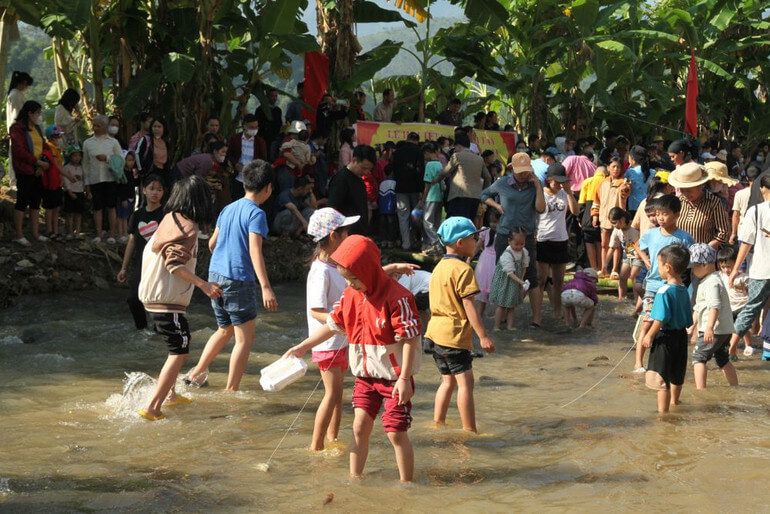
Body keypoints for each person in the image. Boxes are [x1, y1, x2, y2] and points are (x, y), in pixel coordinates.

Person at [284, 235, 421, 482]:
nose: (350, 284)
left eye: (354, 278)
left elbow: (410, 339)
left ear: (369, 270)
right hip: (365, 378)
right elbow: (332, 325)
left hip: (394, 379)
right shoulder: (350, 297)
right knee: (358, 428)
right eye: (346, 278)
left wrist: (404, 377)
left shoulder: (398, 298)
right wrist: (302, 346)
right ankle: (354, 479)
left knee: (395, 434)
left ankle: (407, 485)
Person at [184, 160, 278, 391]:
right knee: (244, 340)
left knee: (224, 329)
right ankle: (231, 390)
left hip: (216, 275)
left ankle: (195, 374)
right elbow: (255, 251)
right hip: (238, 278)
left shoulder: (228, 208)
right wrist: (266, 287)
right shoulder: (256, 214)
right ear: (268, 187)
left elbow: (213, 244)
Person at [137, 176, 223, 421]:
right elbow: (174, 264)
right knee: (179, 352)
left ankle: (171, 395)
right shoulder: (187, 228)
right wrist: (204, 285)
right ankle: (153, 407)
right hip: (167, 299)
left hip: (155, 295)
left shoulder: (170, 218)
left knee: (179, 344)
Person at [425, 217, 495, 433]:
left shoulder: (439, 267)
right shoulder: (463, 270)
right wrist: (483, 336)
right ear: (461, 242)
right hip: (453, 337)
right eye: (474, 238)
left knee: (447, 382)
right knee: (466, 384)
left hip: (434, 334)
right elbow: (469, 306)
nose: (477, 242)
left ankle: (438, 422)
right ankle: (470, 430)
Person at [303, 209, 360, 451]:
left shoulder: (335, 265)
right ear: (334, 236)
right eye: (346, 231)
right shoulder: (320, 271)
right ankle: (316, 446)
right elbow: (316, 310)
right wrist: (343, 321)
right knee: (332, 394)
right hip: (326, 342)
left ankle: (332, 440)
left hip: (339, 339)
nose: (350, 235)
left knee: (338, 396)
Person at [481, 152, 546, 326]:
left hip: (526, 236)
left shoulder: (534, 186)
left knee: (531, 275)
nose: (523, 174)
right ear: (512, 169)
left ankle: (537, 319)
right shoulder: (502, 183)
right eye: (520, 171)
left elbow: (541, 209)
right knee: (504, 274)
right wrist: (496, 206)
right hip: (505, 235)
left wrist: (538, 186)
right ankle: (503, 316)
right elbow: (484, 194)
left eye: (526, 171)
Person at [634, 194, 695, 373]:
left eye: (665, 214)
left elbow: (690, 258)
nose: (660, 218)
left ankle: (668, 360)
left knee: (673, 325)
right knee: (648, 322)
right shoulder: (652, 234)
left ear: (676, 215)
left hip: (675, 288)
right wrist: (645, 260)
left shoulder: (684, 237)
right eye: (658, 213)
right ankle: (638, 362)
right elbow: (637, 245)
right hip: (653, 286)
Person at [641, 244, 692, 414]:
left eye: (659, 265)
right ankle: (675, 404)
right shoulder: (684, 289)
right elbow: (687, 317)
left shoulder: (663, 290)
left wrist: (649, 334)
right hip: (681, 336)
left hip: (665, 337)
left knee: (661, 377)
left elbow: (661, 318)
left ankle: (663, 414)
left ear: (668, 267)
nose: (659, 269)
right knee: (677, 373)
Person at [727, 174, 770, 360]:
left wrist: (735, 269)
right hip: (760, 269)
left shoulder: (756, 211)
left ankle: (731, 347)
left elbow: (746, 243)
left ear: (762, 189)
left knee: (751, 308)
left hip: (760, 269)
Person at [117, 174, 165, 330]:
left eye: (159, 189)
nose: (155, 193)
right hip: (141, 263)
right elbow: (131, 241)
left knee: (158, 300)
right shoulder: (137, 215)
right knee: (132, 298)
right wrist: (124, 267)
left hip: (160, 264)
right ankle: (142, 329)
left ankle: (160, 330)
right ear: (144, 190)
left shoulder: (166, 214)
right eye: (151, 189)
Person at [688, 243, 739, 389]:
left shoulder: (712, 282)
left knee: (698, 358)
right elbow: (699, 308)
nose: (692, 271)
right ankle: (735, 387)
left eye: (694, 267)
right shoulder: (710, 280)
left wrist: (709, 327)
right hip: (724, 330)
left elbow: (714, 306)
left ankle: (701, 391)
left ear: (705, 265)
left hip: (713, 329)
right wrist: (692, 325)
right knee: (723, 360)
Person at [536, 163, 579, 319]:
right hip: (543, 239)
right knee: (541, 280)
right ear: (549, 179)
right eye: (557, 181)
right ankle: (538, 313)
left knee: (558, 281)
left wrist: (569, 192)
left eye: (563, 181)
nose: (560, 184)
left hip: (561, 240)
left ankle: (557, 312)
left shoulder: (564, 194)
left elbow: (575, 211)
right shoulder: (541, 193)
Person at [10, 100, 48, 246]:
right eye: (37, 113)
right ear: (29, 113)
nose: (39, 115)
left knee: (35, 203)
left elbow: (43, 146)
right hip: (25, 170)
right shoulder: (17, 128)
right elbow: (19, 151)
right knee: (22, 202)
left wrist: (43, 164)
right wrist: (37, 162)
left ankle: (35, 233)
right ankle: (19, 234)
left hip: (37, 171)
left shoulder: (37, 128)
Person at [83, 115, 123, 244]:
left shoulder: (113, 142)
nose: (95, 128)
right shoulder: (87, 143)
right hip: (95, 179)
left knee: (111, 207)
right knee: (97, 207)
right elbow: (85, 165)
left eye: (98, 125)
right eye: (94, 125)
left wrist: (106, 158)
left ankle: (112, 234)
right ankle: (99, 234)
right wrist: (86, 183)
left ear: (105, 126)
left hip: (110, 178)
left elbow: (121, 160)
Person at [669, 162, 730, 248]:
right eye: (682, 190)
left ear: (699, 186)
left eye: (689, 191)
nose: (685, 194)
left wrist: (704, 249)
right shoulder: (678, 201)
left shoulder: (713, 202)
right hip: (680, 254)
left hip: (703, 257)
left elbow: (723, 232)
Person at [434, 132, 491, 221]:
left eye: (455, 147)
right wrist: (483, 192)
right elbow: (488, 177)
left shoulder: (457, 156)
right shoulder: (479, 159)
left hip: (459, 196)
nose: (455, 150)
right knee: (468, 223)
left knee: (455, 222)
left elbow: (445, 172)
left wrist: (434, 181)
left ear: (459, 146)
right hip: (475, 198)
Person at [591, 157, 631, 277]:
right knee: (604, 244)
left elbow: (626, 194)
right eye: (613, 166)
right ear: (608, 168)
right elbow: (596, 201)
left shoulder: (623, 183)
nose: (616, 169)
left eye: (618, 167)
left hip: (618, 219)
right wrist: (594, 215)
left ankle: (614, 269)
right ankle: (603, 269)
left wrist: (625, 189)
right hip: (604, 217)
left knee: (616, 245)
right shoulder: (602, 183)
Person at [328, 144, 376, 235]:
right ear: (354, 160)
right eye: (364, 168)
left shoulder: (359, 179)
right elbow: (332, 208)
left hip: (359, 233)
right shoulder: (341, 179)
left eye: (369, 170)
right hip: (346, 234)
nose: (366, 172)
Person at [489, 229, 529, 331]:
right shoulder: (507, 255)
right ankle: (496, 326)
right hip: (505, 283)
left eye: (522, 244)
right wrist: (520, 281)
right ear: (509, 241)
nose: (519, 247)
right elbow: (510, 273)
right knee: (502, 305)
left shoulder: (524, 252)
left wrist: (522, 278)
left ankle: (510, 326)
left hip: (515, 282)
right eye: (516, 244)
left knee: (512, 305)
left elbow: (524, 266)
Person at [716, 245, 753, 355]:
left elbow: (751, 291)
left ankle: (748, 344)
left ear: (737, 263)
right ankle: (733, 349)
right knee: (731, 329)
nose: (726, 270)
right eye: (723, 267)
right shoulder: (720, 276)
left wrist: (744, 289)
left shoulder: (743, 277)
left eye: (729, 266)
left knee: (743, 327)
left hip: (742, 305)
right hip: (730, 307)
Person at [391, 133, 425, 250]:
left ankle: (406, 243)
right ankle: (415, 240)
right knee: (416, 215)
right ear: (416, 141)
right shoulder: (418, 151)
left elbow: (393, 168)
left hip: (400, 188)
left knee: (402, 215)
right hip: (415, 188)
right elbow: (420, 171)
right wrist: (421, 189)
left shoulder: (398, 152)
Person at [226, 114, 268, 200]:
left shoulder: (260, 142)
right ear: (244, 126)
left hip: (253, 178)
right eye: (251, 127)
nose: (254, 130)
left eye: (256, 127)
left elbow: (263, 159)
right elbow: (229, 154)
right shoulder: (235, 139)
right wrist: (235, 164)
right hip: (238, 177)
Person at [6, 71, 34, 187]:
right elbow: (19, 113)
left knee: (15, 153)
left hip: (16, 128)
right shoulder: (16, 95)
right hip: (18, 128)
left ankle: (15, 180)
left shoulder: (15, 94)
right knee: (17, 154)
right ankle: (15, 181)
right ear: (23, 83)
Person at [608, 207, 642, 302]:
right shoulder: (617, 230)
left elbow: (638, 246)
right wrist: (604, 265)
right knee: (622, 277)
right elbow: (612, 247)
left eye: (615, 222)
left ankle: (636, 302)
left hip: (639, 256)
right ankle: (621, 300)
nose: (614, 225)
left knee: (634, 277)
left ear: (622, 219)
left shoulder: (634, 228)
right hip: (627, 255)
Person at [578, 165, 607, 271]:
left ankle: (593, 267)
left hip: (587, 214)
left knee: (589, 242)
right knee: (600, 243)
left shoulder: (587, 182)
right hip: (602, 213)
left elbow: (581, 202)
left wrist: (579, 218)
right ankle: (601, 267)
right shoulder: (606, 181)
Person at [473, 212, 499, 317]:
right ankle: (479, 315)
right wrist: (470, 257)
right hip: (485, 260)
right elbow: (478, 245)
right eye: (492, 222)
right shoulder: (486, 231)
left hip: (496, 262)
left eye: (496, 222)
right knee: (482, 290)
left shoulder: (503, 234)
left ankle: (500, 316)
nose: (494, 224)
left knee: (496, 288)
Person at [41, 126, 64, 241]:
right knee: (49, 208)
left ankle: (56, 230)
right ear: (52, 137)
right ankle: (49, 230)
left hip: (57, 182)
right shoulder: (49, 149)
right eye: (58, 136)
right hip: (50, 183)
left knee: (56, 208)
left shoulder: (57, 149)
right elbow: (56, 166)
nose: (60, 138)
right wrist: (68, 176)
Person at [421, 142, 443, 254]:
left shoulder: (429, 165)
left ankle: (437, 243)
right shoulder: (440, 164)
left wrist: (423, 199)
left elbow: (427, 184)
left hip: (431, 196)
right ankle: (436, 243)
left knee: (427, 222)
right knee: (436, 221)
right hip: (439, 196)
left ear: (428, 153)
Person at [730, 164, 760, 244]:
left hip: (743, 232)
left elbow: (736, 215)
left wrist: (733, 233)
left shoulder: (739, 194)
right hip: (759, 233)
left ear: (746, 178)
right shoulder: (764, 193)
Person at [135, 118, 170, 186]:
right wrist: (141, 171)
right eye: (154, 126)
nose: (156, 129)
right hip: (149, 174)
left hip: (163, 174)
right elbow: (137, 154)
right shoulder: (146, 140)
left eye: (159, 127)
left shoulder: (166, 143)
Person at [61, 145, 85, 239]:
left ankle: (78, 231)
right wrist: (69, 191)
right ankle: (70, 232)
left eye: (79, 155)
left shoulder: (81, 168)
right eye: (74, 155)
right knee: (70, 213)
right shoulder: (66, 168)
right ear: (70, 156)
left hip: (80, 192)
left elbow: (83, 180)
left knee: (79, 213)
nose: (77, 158)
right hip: (70, 192)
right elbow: (66, 180)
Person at [625, 145, 651, 216]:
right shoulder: (653, 172)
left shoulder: (630, 172)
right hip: (648, 205)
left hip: (633, 206)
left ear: (632, 159)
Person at [255, 87, 282, 153]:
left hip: (274, 138)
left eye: (276, 96)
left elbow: (279, 124)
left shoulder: (278, 110)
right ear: (267, 96)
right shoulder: (260, 109)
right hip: (263, 138)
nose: (274, 98)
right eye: (272, 96)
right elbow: (257, 124)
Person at [378, 164, 397, 247]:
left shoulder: (382, 183)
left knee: (383, 225)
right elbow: (394, 196)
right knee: (391, 225)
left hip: (382, 208)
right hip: (391, 208)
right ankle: (390, 241)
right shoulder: (394, 183)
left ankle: (383, 241)